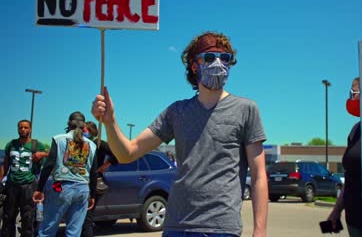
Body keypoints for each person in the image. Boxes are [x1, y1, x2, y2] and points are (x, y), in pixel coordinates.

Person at [91, 31, 268, 237]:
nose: (218, 63)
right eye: (209, 57)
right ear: (195, 66)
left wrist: (260, 230)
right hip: (177, 227)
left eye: (224, 58)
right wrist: (110, 121)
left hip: (222, 229)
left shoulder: (246, 109)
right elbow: (127, 153)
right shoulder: (176, 112)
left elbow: (258, 176)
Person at [33, 111, 98, 237]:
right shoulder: (92, 145)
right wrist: (92, 195)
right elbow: (94, 172)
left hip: (62, 188)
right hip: (83, 189)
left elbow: (49, 165)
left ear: (69, 123)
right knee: (74, 233)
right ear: (84, 126)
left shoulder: (59, 140)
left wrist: (39, 189)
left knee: (47, 230)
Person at [327, 77, 362, 237]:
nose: (351, 97)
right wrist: (336, 211)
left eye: (354, 92)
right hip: (354, 219)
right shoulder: (355, 130)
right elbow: (350, 178)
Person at [1, 119, 47, 237]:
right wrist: (1, 180)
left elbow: (53, 154)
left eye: (26, 127)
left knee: (28, 218)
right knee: (7, 216)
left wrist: (42, 154)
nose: (23, 129)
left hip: (28, 185)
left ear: (30, 129)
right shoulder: (11, 144)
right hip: (12, 184)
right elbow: (5, 165)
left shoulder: (37, 144)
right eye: (20, 127)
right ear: (18, 129)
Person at [81, 120, 119, 237]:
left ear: (91, 131)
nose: (82, 132)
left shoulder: (98, 144)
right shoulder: (80, 143)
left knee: (87, 216)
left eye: (84, 130)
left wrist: (103, 167)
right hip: (81, 180)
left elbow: (116, 155)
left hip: (94, 181)